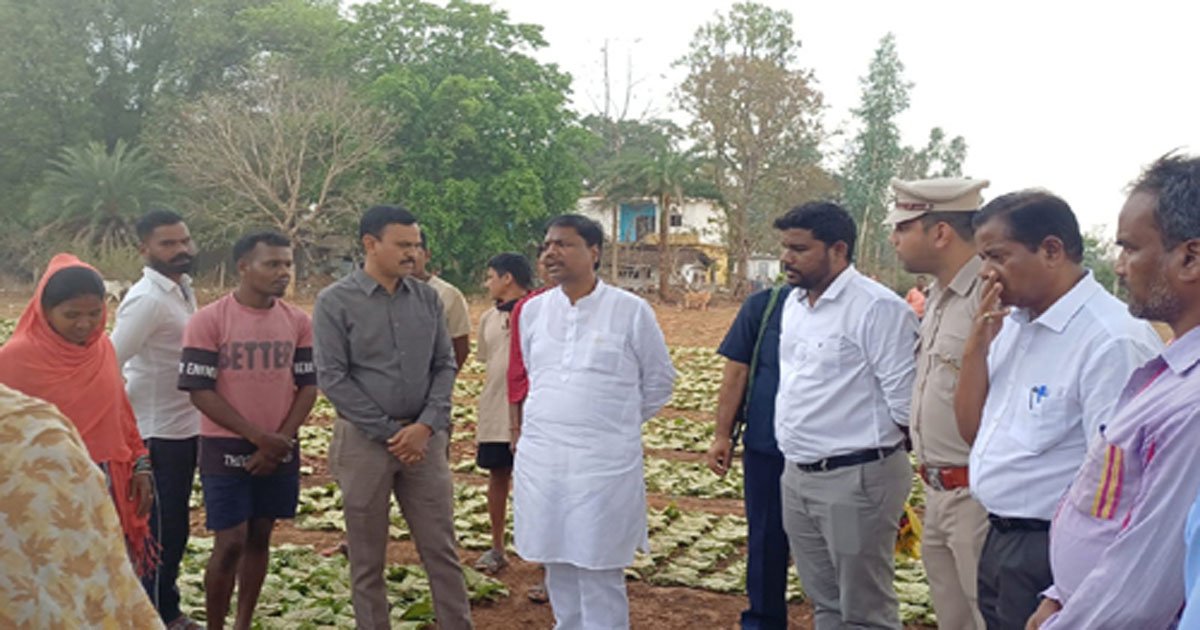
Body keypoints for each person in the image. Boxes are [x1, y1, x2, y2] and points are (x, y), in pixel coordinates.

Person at [953, 191, 1162, 630]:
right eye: (982, 258)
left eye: (997, 256)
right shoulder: (1013, 325)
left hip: (1051, 553)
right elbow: (973, 430)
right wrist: (975, 348)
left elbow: (1122, 488)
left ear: (1051, 250)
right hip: (999, 539)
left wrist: (1067, 589)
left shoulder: (1110, 340)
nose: (986, 272)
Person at [1025, 155, 1200, 628]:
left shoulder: (1193, 405)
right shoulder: (1170, 373)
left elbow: (1145, 582)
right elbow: (1112, 511)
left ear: (1190, 258)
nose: (1119, 268)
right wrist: (1060, 594)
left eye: (1130, 248)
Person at [313, 205, 473, 630]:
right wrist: (392, 433)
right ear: (370, 244)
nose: (412, 253)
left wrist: (425, 426)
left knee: (441, 549)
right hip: (363, 444)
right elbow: (333, 378)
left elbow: (445, 364)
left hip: (425, 442)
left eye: (416, 245)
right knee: (366, 557)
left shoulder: (428, 299)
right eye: (403, 245)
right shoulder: (334, 302)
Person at [513, 214, 676, 629]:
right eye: (547, 245)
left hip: (603, 464)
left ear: (594, 252)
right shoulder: (532, 311)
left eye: (563, 244)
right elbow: (536, 375)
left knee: (599, 566)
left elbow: (659, 382)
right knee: (557, 560)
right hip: (545, 460)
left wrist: (610, 424)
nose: (551, 253)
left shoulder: (630, 310)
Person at [773, 202, 918, 630]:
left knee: (865, 610)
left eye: (799, 249)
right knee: (825, 601)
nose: (786, 258)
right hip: (797, 474)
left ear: (838, 250)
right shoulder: (794, 303)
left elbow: (906, 404)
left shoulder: (877, 308)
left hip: (856, 478)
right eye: (784, 247)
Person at [178, 231, 318, 630]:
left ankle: (243, 623)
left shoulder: (298, 322)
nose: (283, 272)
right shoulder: (209, 320)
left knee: (260, 535)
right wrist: (259, 438)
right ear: (243, 267)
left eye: (287, 264)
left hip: (280, 445)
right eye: (272, 264)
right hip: (225, 445)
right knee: (230, 541)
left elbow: (308, 386)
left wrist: (280, 441)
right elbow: (199, 391)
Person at [0, 253, 156, 575]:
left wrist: (140, 463)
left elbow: (121, 413)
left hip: (107, 480)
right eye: (71, 314)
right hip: (43, 490)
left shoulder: (103, 349)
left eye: (94, 313)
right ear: (45, 311)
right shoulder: (15, 360)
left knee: (108, 575)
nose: (85, 324)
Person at [886, 177, 991, 630]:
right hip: (937, 489)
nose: (894, 239)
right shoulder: (937, 297)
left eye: (902, 228)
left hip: (977, 498)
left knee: (988, 616)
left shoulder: (991, 295)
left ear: (941, 232)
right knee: (954, 619)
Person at [0, 383, 162, 629]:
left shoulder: (40, 434)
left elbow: (121, 412)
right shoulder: (36, 431)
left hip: (92, 475)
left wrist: (139, 460)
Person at [112, 209, 202, 630]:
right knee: (160, 531)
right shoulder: (146, 299)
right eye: (168, 244)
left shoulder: (181, 289)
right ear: (144, 249)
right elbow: (111, 360)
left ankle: (163, 608)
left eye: (184, 241)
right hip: (156, 431)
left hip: (185, 427)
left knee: (174, 527)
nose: (181, 249)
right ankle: (155, 614)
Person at [706, 277, 792, 628]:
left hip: (831, 454)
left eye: (800, 251)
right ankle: (763, 620)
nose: (788, 258)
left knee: (834, 550)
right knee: (766, 538)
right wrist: (722, 434)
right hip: (766, 446)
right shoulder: (764, 306)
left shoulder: (863, 307)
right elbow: (736, 371)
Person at [472, 252, 534, 575]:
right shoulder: (488, 319)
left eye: (490, 277)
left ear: (507, 278)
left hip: (532, 413)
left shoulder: (538, 312)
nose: (487, 284)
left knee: (537, 483)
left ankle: (545, 560)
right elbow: (490, 362)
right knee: (498, 476)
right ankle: (497, 547)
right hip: (496, 410)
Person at [414, 230, 472, 369]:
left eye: (415, 249)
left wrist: (443, 378)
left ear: (427, 255)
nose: (409, 256)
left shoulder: (448, 295)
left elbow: (460, 346)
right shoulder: (383, 292)